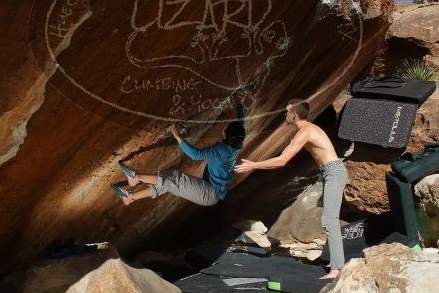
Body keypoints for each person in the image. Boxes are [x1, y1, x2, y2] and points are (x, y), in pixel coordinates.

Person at [234, 99, 347, 280]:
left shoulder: (306, 132)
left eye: (287, 111)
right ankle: (333, 261)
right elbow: (281, 157)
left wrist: (254, 165)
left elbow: (282, 161)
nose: (285, 115)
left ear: (294, 113)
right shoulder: (302, 132)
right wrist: (256, 165)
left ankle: (337, 269)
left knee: (329, 220)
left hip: (334, 172)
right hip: (327, 173)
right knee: (328, 218)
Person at [113, 102, 245, 206]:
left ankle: (136, 178)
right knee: (166, 184)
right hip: (210, 191)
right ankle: (129, 198)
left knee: (173, 179)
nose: (224, 129)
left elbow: (196, 155)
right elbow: (240, 125)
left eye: (226, 129)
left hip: (209, 193)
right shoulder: (236, 145)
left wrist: (178, 136)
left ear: (227, 135)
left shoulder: (221, 150)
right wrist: (240, 105)